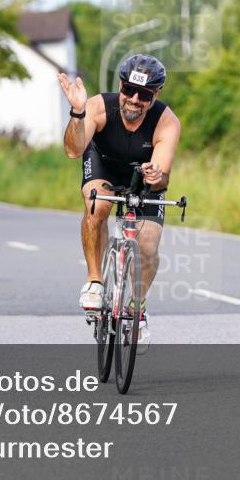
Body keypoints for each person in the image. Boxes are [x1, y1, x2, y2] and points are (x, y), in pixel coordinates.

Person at [58, 54, 181, 350]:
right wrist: (77, 112)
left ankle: (135, 309)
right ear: (121, 86)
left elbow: (162, 176)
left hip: (144, 174)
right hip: (104, 165)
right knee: (96, 204)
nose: (135, 100)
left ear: (156, 95)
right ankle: (95, 281)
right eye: (129, 90)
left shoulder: (167, 121)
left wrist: (155, 175)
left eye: (145, 94)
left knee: (148, 246)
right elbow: (74, 150)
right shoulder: (99, 106)